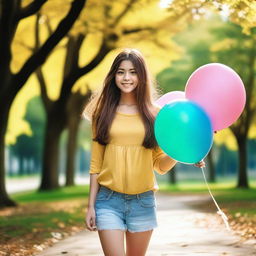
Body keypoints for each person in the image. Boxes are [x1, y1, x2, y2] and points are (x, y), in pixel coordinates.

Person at [84, 48, 205, 256]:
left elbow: (159, 165)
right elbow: (96, 164)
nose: (127, 77)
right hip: (108, 201)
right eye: (121, 72)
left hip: (143, 202)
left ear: (141, 76)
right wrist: (91, 206)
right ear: (114, 76)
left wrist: (182, 151)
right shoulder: (101, 113)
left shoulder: (155, 115)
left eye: (133, 72)